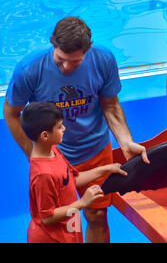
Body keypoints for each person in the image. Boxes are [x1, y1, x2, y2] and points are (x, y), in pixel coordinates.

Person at [3, 16, 149, 243]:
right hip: (56, 158)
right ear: (53, 44)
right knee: (62, 224)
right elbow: (12, 113)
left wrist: (126, 141)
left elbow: (110, 104)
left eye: (76, 62)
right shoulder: (30, 68)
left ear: (87, 51)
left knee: (98, 214)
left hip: (95, 149)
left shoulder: (103, 59)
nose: (67, 67)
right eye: (61, 60)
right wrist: (35, 154)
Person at [22, 102, 127, 243]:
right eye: (59, 127)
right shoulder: (43, 175)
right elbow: (47, 217)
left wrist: (105, 169)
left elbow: (70, 180)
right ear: (45, 136)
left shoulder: (54, 151)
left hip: (68, 230)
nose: (64, 129)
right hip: (52, 238)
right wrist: (82, 203)